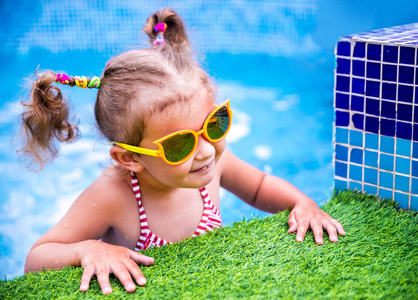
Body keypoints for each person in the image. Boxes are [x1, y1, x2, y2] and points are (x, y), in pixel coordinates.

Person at [20, 8, 345, 295]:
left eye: (214, 125)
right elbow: (37, 258)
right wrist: (88, 250)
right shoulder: (113, 196)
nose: (205, 151)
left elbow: (260, 188)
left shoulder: (214, 164)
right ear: (130, 158)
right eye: (180, 144)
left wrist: (303, 204)